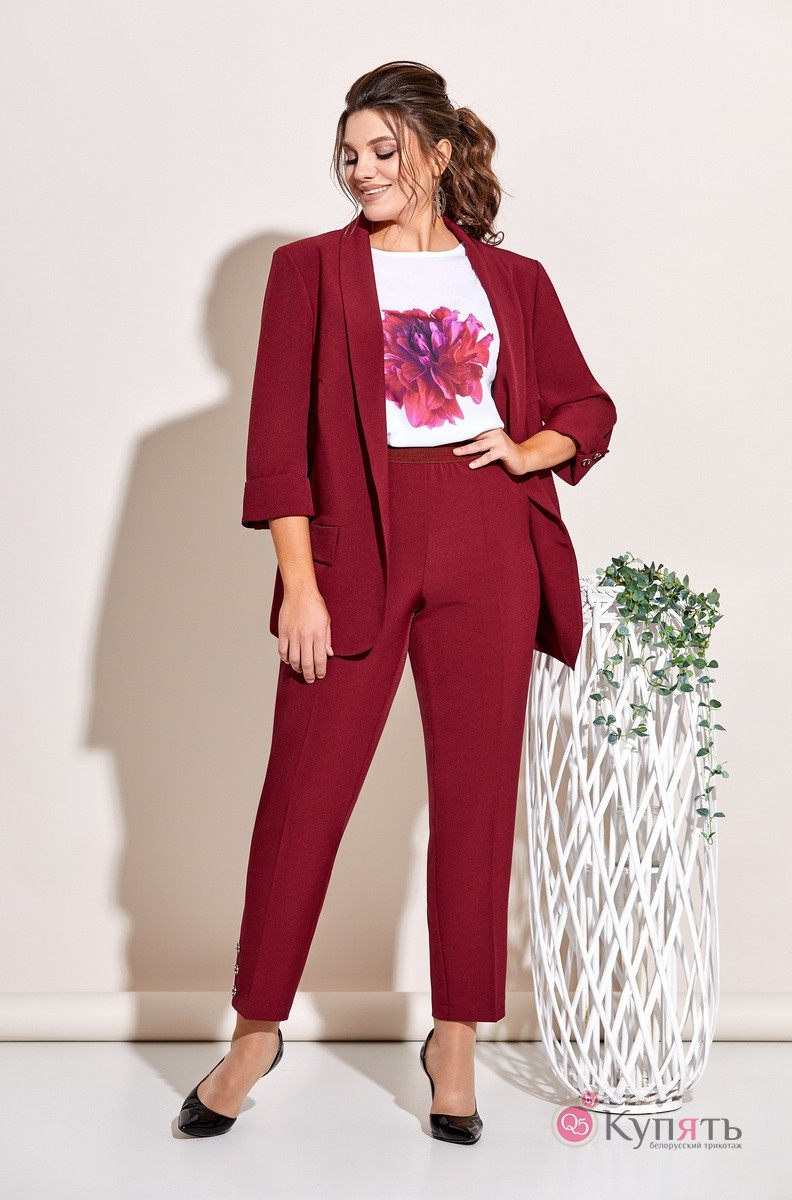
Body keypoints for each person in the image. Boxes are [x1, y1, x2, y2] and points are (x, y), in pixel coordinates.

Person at [178, 59, 617, 1145]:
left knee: (475, 800)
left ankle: (454, 1037)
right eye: (349, 155)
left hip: (487, 541)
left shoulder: (511, 280)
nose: (361, 171)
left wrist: (527, 449)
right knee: (303, 798)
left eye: (383, 151)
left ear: (439, 152)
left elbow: (586, 406)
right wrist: (299, 585)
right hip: (351, 553)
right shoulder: (309, 272)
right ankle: (253, 1033)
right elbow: (277, 445)